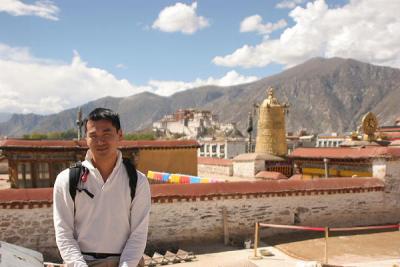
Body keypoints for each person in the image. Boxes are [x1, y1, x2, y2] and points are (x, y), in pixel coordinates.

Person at [53, 108, 151, 267]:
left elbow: (138, 235)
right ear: (86, 138)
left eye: (107, 134)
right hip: (81, 262)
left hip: (127, 262)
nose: (100, 142)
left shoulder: (137, 181)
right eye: (93, 135)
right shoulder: (67, 180)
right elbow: (64, 233)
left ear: (120, 135)